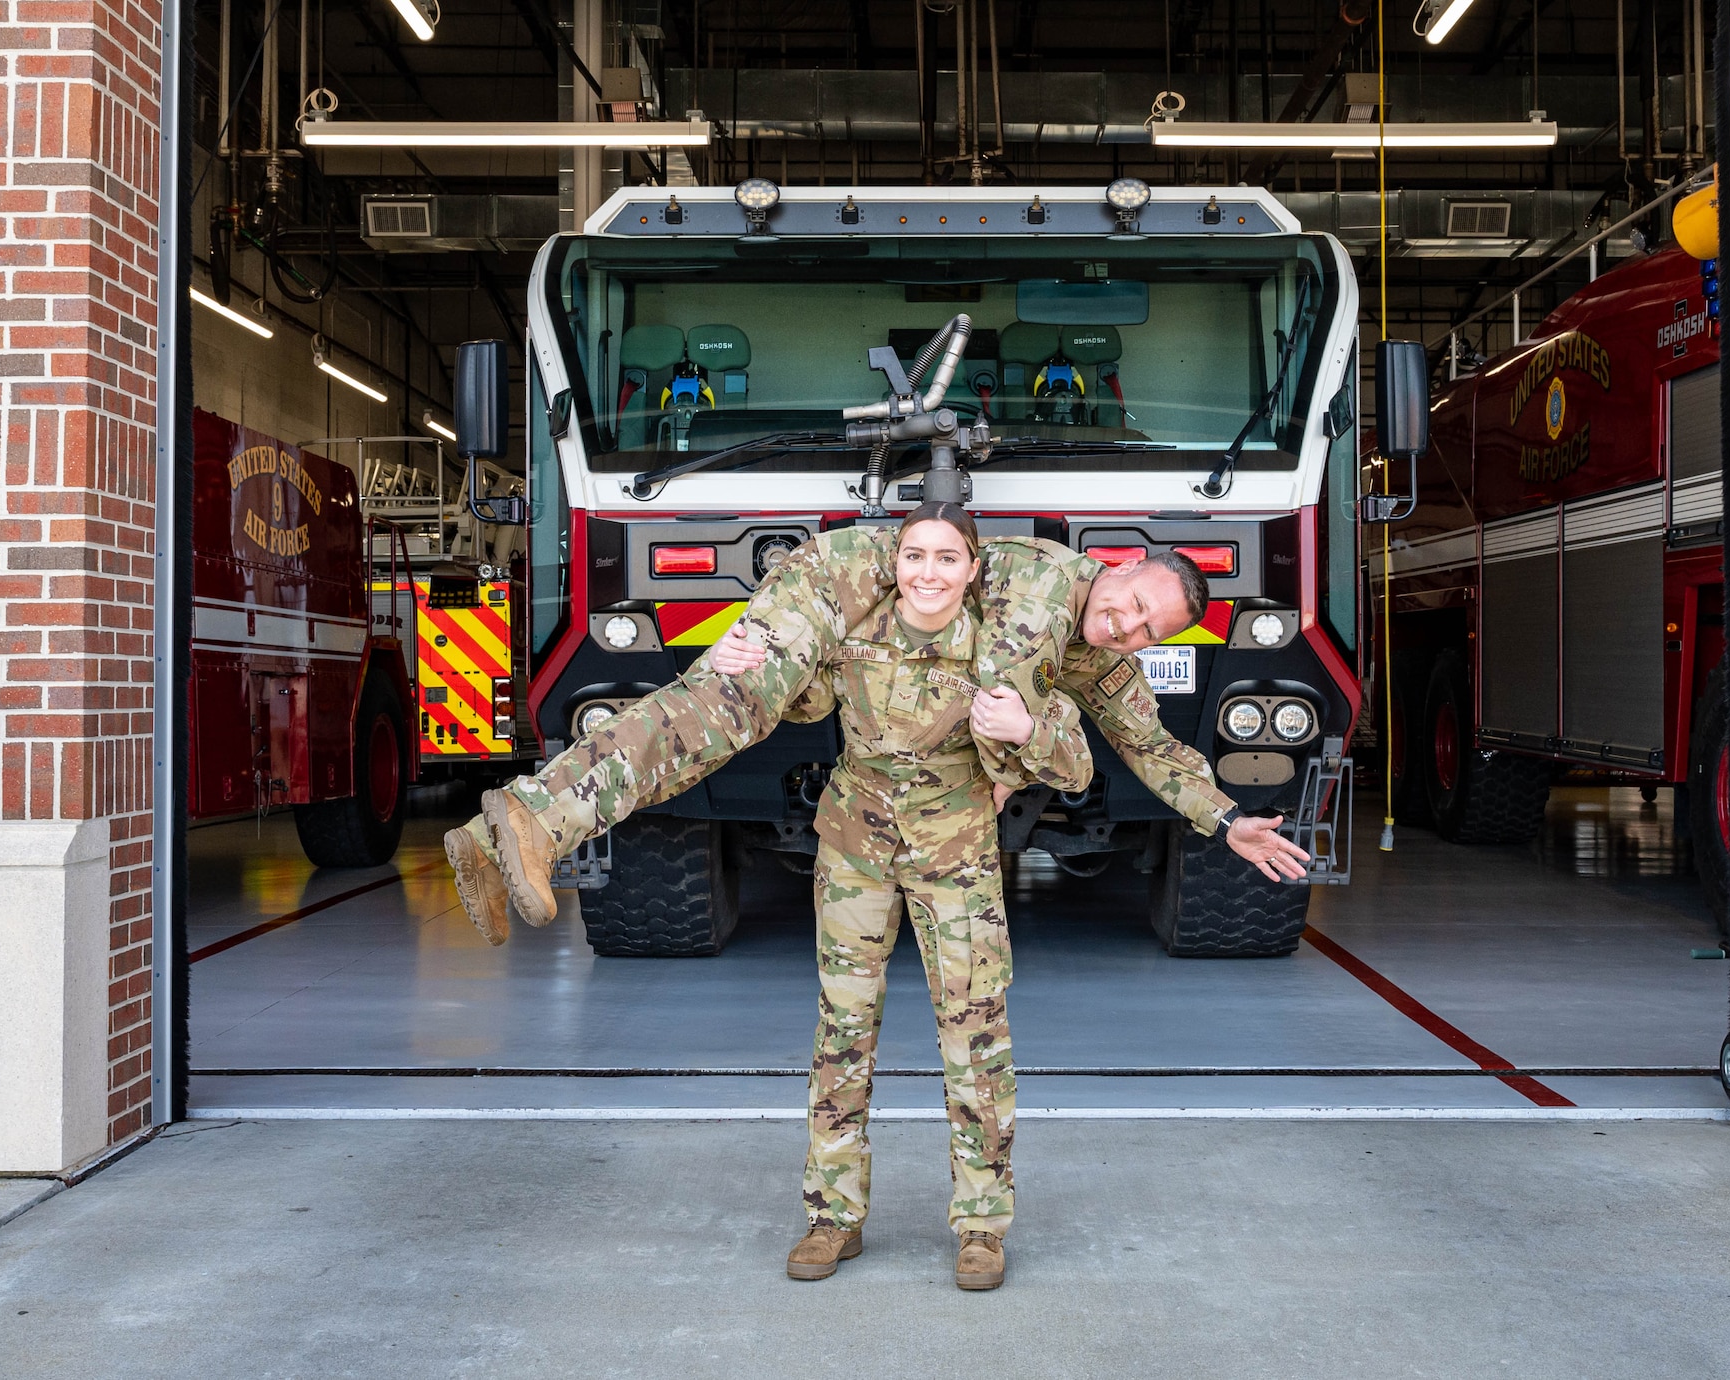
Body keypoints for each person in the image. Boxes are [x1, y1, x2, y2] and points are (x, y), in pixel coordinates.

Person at [454, 527, 1309, 944]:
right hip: (842, 587)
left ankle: (490, 843)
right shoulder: (1052, 587)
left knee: (742, 720)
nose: (1126, 627)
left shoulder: (1101, 657)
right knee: (734, 705)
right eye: (1131, 603)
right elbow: (999, 702)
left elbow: (1157, 750)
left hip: (877, 638)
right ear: (1117, 570)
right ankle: (537, 817)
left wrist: (1227, 820)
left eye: (1146, 631)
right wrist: (1024, 755)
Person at [781, 503, 1087, 1291]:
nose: (927, 573)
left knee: (975, 1039)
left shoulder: (1004, 645)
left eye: (947, 558)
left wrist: (1025, 733)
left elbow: (1076, 764)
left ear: (974, 569)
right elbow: (802, 697)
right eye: (914, 555)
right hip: (855, 850)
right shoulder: (854, 628)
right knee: (842, 1031)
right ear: (895, 563)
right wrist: (753, 655)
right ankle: (832, 1218)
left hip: (955, 860)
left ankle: (982, 1227)